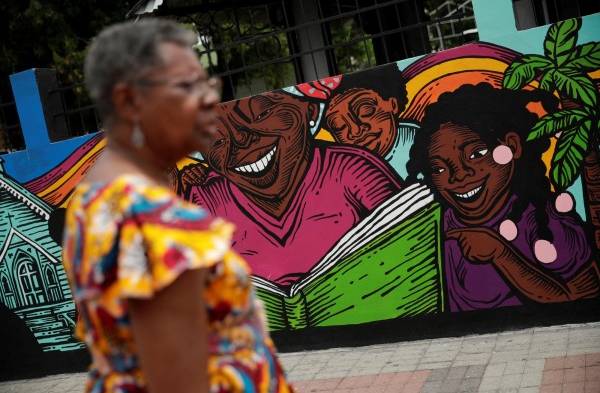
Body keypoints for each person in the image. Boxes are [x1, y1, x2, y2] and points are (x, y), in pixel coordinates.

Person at [62, 19, 294, 393]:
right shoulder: (152, 221)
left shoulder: (96, 198)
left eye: (207, 83)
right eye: (187, 86)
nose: (207, 99)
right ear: (129, 101)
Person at [406, 83, 600, 312]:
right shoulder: (439, 224)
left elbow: (586, 296)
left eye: (476, 154)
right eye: (439, 169)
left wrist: (500, 253)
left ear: (512, 146)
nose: (459, 175)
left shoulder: (545, 221)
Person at [182, 89, 402, 285]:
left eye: (260, 115)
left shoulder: (353, 170)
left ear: (310, 111)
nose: (241, 140)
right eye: (216, 140)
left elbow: (409, 249)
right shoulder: (207, 200)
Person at [325, 63, 418, 179]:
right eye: (339, 126)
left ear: (392, 104)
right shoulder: (341, 174)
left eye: (366, 111)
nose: (355, 131)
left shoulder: (427, 146)